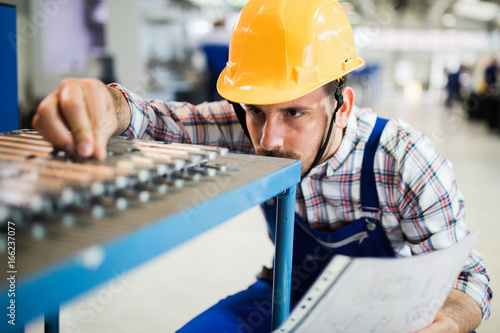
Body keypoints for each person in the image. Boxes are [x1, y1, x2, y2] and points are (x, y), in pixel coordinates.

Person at [32, 0, 492, 332]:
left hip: (386, 315)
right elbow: (150, 118)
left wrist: (448, 322)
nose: (267, 140)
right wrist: (105, 105)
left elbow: (470, 278)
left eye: (294, 113)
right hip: (285, 295)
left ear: (343, 105)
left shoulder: (403, 159)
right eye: (255, 110)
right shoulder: (244, 126)